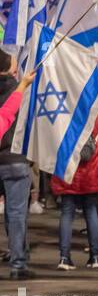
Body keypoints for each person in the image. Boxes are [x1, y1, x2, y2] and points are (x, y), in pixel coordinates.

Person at [53, 113, 98, 271]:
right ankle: (95, 257)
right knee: (91, 211)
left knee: (66, 213)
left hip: (68, 168)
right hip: (91, 169)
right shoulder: (96, 109)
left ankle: (64, 258)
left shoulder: (63, 109)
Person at [0, 64, 36, 279]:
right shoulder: (20, 92)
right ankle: (18, 264)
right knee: (16, 215)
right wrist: (23, 84)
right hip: (15, 159)